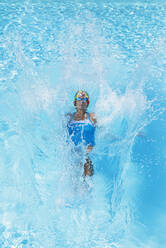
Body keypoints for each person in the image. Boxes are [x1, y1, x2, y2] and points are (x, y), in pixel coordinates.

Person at [67, 90, 97, 177]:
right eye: (79, 98)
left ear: (87, 103)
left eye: (85, 99)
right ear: (74, 102)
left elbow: (104, 131)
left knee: (86, 162)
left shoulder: (92, 117)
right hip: (73, 153)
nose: (82, 101)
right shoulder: (68, 117)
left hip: (87, 153)